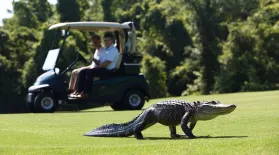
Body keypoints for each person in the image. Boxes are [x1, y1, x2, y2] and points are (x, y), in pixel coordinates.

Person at [76, 32, 119, 98]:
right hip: (103, 69)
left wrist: (96, 68)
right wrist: (96, 61)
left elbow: (106, 63)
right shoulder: (107, 50)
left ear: (112, 40)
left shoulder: (113, 50)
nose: (106, 42)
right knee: (82, 71)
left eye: (108, 40)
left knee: (90, 71)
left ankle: (86, 92)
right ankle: (79, 91)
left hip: (109, 71)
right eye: (105, 40)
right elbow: (102, 62)